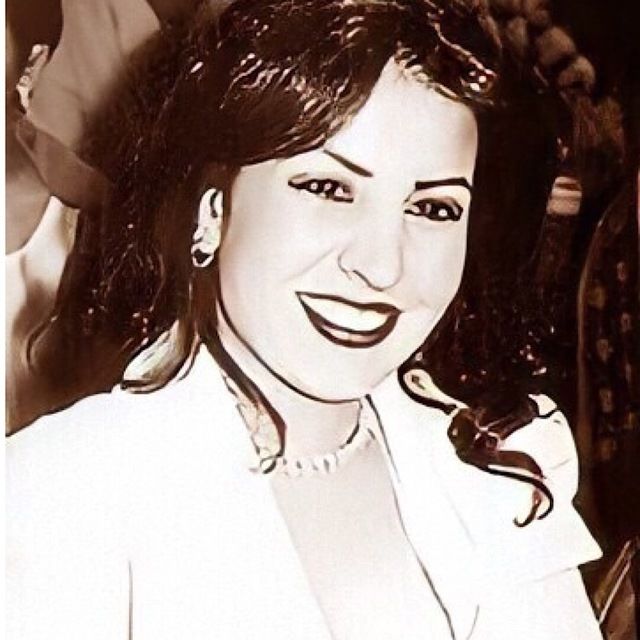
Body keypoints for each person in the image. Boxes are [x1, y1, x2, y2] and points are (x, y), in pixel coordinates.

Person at [7, 0, 621, 638]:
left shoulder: (505, 465)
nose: (382, 266)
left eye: (433, 208)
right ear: (210, 212)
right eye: (328, 189)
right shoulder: (62, 497)